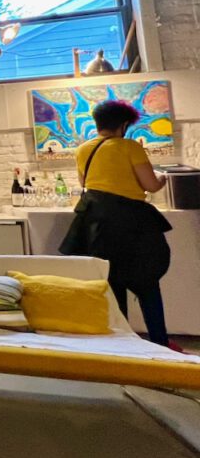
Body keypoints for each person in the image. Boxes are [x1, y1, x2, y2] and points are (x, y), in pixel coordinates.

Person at [60, 100, 173, 347]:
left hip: (97, 227)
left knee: (114, 285)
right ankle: (160, 344)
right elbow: (150, 185)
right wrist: (163, 178)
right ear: (123, 125)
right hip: (132, 226)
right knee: (147, 286)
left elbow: (85, 183)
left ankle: (124, 345)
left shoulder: (82, 150)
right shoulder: (129, 147)